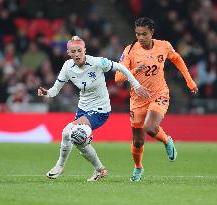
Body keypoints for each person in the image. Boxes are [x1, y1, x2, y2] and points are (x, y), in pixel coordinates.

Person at [38, 36, 150, 182]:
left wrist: (136, 85)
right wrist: (46, 92)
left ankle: (66, 163)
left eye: (79, 50)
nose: (77, 54)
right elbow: (54, 90)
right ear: (68, 52)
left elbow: (121, 67)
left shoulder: (97, 62)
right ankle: (96, 169)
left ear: (85, 50)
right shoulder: (67, 66)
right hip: (83, 108)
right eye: (73, 51)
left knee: (76, 135)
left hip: (100, 109)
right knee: (68, 134)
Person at [115, 17, 198, 182]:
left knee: (150, 127)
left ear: (151, 32)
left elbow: (177, 59)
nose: (140, 37)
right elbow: (118, 77)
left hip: (159, 94)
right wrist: (132, 70)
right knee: (137, 142)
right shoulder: (130, 50)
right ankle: (138, 168)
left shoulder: (164, 46)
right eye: (137, 34)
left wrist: (189, 81)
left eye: (144, 34)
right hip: (137, 100)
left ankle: (167, 141)